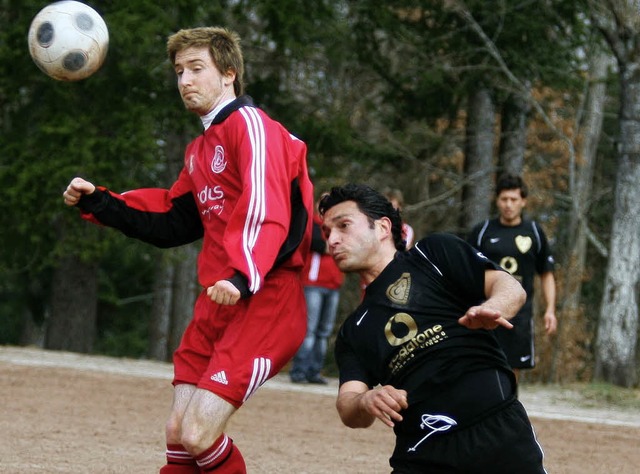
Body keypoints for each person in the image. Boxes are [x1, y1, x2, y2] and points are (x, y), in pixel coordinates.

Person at [63, 26, 314, 473]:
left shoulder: (251, 126)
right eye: (179, 71)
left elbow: (266, 206)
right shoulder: (199, 150)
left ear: (229, 74)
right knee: (179, 433)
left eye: (197, 68)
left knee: (200, 433)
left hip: (264, 297)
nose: (184, 80)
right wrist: (100, 202)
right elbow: (172, 220)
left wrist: (240, 275)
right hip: (218, 302)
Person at [318, 183, 547, 473]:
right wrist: (366, 400)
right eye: (327, 233)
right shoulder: (354, 329)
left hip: (494, 428)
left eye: (343, 226)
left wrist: (495, 306)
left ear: (383, 227)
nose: (332, 241)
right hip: (423, 451)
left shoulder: (433, 254)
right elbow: (348, 407)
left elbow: (510, 287)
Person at [467, 173, 557, 381]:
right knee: (481, 368)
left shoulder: (534, 232)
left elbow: (546, 273)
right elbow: (467, 270)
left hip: (520, 313)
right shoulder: (482, 232)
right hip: (486, 310)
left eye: (514, 200)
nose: (508, 205)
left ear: (523, 201)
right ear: (497, 201)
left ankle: (508, 410)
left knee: (511, 370)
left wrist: (550, 310)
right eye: (504, 199)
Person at [289, 206, 345, 385]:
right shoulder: (313, 222)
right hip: (313, 282)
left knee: (324, 331)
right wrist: (328, 246)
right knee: (309, 329)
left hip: (334, 283)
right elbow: (314, 243)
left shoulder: (343, 225)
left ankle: (314, 371)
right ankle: (299, 370)